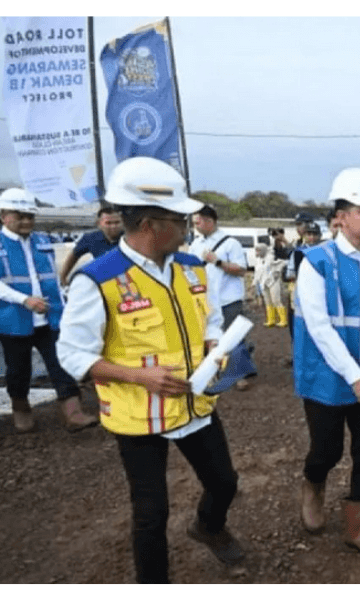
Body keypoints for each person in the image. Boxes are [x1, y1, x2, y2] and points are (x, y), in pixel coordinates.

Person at [56, 157, 244, 583]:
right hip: (138, 415)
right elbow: (71, 354)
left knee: (225, 483)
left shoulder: (194, 268)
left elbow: (210, 320)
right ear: (151, 224)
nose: (189, 227)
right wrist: (140, 376)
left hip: (196, 403)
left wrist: (215, 344)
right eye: (181, 220)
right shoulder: (98, 279)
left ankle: (209, 526)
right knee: (151, 513)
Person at [293, 166, 360, 564]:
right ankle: (313, 484)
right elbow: (319, 326)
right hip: (328, 378)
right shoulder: (315, 262)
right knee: (328, 449)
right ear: (340, 216)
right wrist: (354, 376)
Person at [0, 187, 98, 433]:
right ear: (4, 215)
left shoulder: (42, 240)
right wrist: (24, 300)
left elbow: (52, 279)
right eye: (19, 215)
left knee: (60, 363)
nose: (26, 221)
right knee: (19, 369)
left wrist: (64, 308)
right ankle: (21, 407)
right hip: (14, 319)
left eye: (29, 216)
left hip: (50, 317)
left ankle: (73, 413)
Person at [189, 205, 256, 391]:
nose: (195, 225)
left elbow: (241, 270)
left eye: (198, 222)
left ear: (210, 221)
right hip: (206, 299)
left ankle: (239, 375)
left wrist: (217, 261)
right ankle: (220, 370)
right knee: (211, 336)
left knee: (233, 337)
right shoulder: (196, 244)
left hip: (228, 298)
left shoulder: (230, 243)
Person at [58, 206, 123, 287]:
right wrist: (63, 276)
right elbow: (73, 255)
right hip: (104, 282)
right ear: (99, 224)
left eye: (117, 222)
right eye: (108, 223)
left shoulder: (130, 237)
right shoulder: (90, 238)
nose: (113, 226)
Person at [284, 220, 322, 346]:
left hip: (320, 290)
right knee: (300, 319)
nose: (311, 237)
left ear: (319, 236)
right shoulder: (297, 252)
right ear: (304, 235)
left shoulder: (325, 251)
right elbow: (290, 273)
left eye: (314, 234)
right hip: (300, 289)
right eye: (309, 234)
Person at [252, 242, 287, 327]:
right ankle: (271, 320)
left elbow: (283, 263)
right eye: (256, 250)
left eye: (259, 250)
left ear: (263, 250)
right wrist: (254, 283)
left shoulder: (271, 257)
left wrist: (277, 273)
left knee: (276, 300)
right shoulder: (258, 260)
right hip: (263, 282)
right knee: (267, 301)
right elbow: (257, 272)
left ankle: (283, 320)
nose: (257, 252)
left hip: (273, 281)